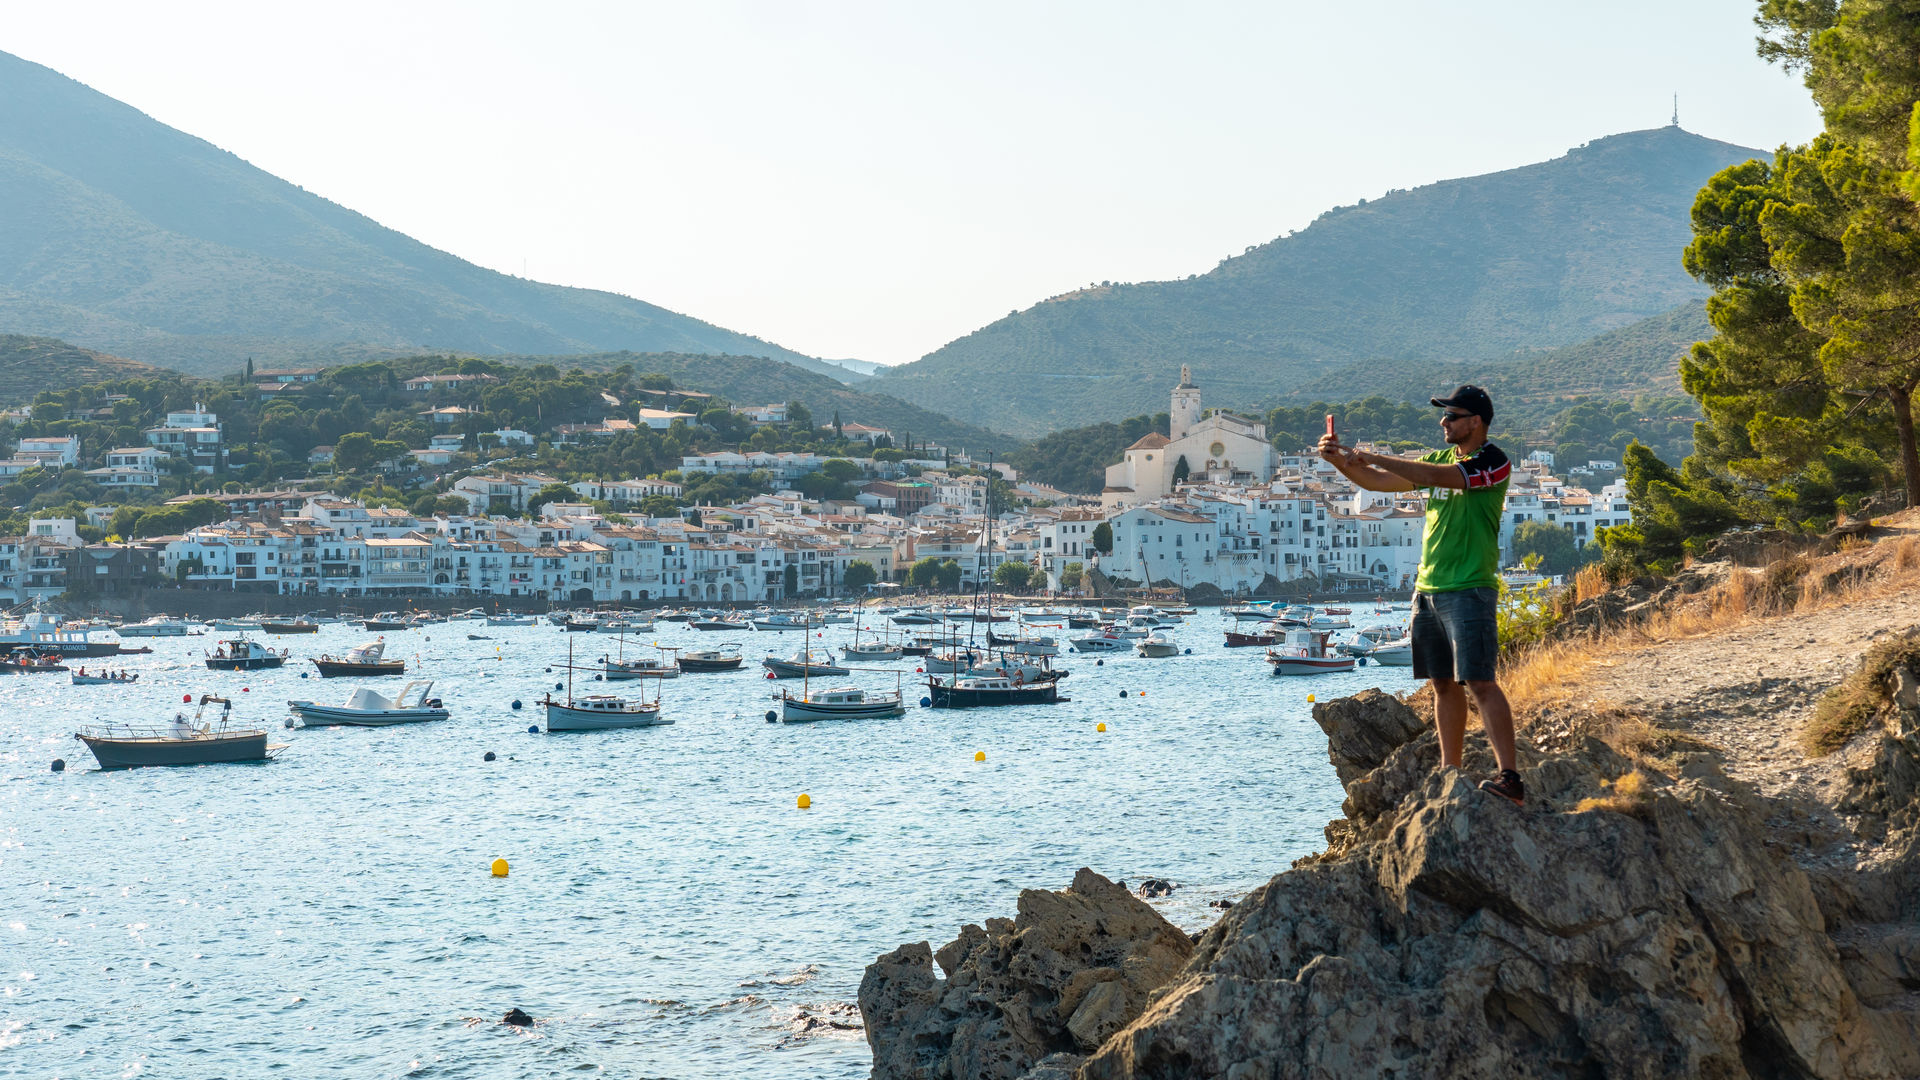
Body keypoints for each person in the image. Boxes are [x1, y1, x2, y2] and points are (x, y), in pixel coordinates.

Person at [1316, 384, 1524, 805]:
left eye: (1452, 415)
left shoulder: (1492, 462)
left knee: (1481, 682)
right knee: (1442, 684)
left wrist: (1371, 453)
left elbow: (1428, 477)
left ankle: (1511, 778)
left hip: (1470, 586)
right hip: (1428, 587)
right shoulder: (1439, 457)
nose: (1443, 422)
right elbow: (1375, 483)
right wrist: (1339, 461)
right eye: (1443, 415)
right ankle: (1451, 774)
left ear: (1476, 422)